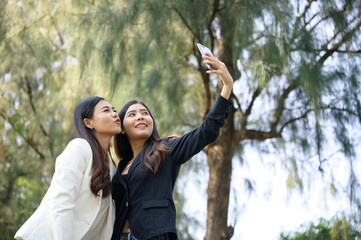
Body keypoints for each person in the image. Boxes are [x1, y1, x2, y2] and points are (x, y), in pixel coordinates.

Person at [111, 54, 234, 240]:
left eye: (145, 113)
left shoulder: (166, 149)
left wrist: (227, 87)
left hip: (153, 235)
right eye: (132, 114)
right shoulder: (120, 167)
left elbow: (205, 132)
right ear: (121, 128)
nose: (140, 117)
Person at [14, 96, 122, 240]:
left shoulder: (112, 167)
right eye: (106, 110)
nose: (115, 114)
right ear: (88, 122)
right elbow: (62, 202)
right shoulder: (79, 148)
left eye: (114, 110)